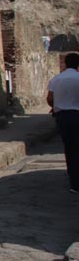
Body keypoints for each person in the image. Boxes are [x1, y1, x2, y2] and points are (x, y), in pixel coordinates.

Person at [47, 52, 79, 193]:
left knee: (70, 148)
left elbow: (49, 99)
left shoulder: (56, 79)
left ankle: (74, 182)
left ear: (65, 63)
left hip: (63, 118)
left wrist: (56, 105)